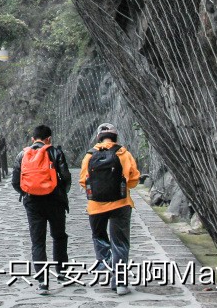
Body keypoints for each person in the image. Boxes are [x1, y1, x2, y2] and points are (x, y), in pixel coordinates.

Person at [79, 122, 141, 296]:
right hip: (121, 204)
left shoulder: (90, 155)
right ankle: (120, 282)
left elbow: (83, 181)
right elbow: (134, 180)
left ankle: (105, 263)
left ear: (98, 138)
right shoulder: (124, 154)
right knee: (120, 242)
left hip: (96, 206)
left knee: (99, 236)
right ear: (115, 137)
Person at [12, 124, 72, 295]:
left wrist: (27, 192)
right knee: (59, 236)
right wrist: (61, 191)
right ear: (49, 139)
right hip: (55, 201)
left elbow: (15, 182)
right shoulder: (55, 152)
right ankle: (62, 273)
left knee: (38, 241)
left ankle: (43, 282)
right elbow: (66, 177)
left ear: (33, 139)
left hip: (33, 203)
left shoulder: (23, 154)